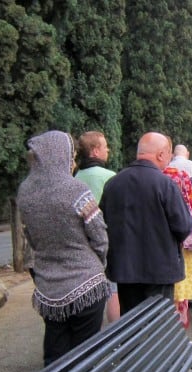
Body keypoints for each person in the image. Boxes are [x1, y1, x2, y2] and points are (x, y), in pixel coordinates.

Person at [18, 131, 110, 367]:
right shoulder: (75, 189)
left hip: (48, 286)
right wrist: (98, 262)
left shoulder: (25, 192)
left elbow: (29, 235)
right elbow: (99, 235)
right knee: (86, 353)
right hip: (85, 283)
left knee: (55, 351)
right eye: (72, 155)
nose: (74, 162)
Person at [100, 132, 192, 314]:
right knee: (158, 324)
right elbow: (183, 226)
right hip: (160, 270)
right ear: (160, 154)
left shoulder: (113, 184)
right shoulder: (165, 184)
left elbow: (103, 224)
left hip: (125, 269)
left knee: (131, 322)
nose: (169, 159)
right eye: (168, 154)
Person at [74, 130, 120, 324]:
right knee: (113, 290)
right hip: (107, 241)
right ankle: (117, 334)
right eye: (104, 146)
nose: (107, 149)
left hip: (81, 245)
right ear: (94, 151)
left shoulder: (75, 179)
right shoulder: (111, 177)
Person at [163, 158, 192, 325]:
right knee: (181, 297)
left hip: (162, 253)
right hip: (185, 250)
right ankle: (179, 330)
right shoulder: (183, 181)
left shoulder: (159, 180)